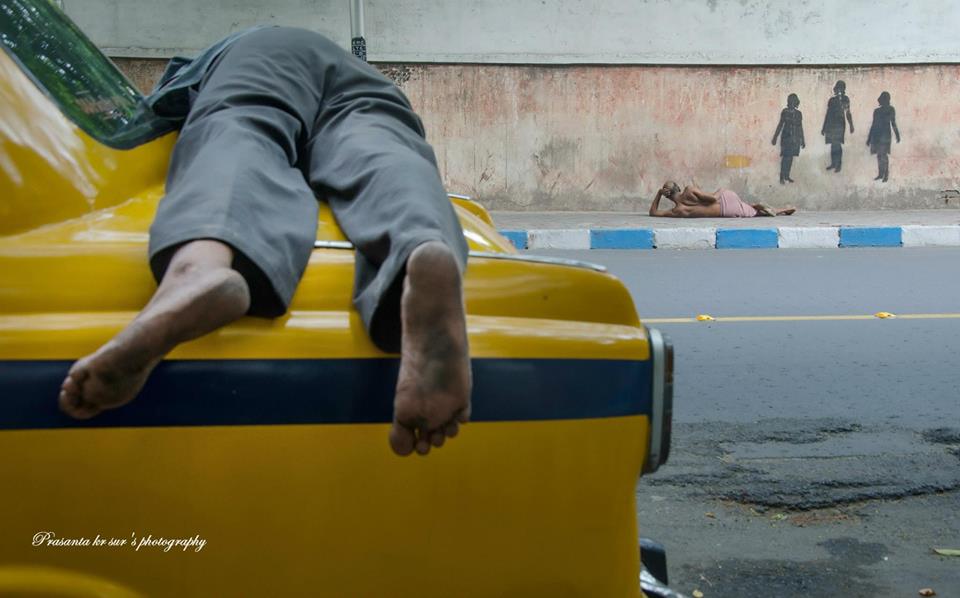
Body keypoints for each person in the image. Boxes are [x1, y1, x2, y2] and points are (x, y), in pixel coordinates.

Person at [57, 27, 471, 457]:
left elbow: (157, 131)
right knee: (382, 151)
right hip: (368, 85)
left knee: (238, 129)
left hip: (268, 53)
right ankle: (421, 245)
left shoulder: (205, 66)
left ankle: (199, 266)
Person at [648, 181, 795, 218]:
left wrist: (658, 194)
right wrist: (720, 190)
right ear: (678, 188)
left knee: (753, 212)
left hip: (724, 211)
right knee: (753, 210)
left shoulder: (677, 211)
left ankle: (773, 209)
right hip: (725, 200)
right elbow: (712, 199)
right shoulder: (689, 190)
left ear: (667, 195)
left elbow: (653, 213)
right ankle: (779, 209)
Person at [866, 91, 901, 182]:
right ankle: (881, 174)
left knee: (883, 155)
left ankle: (885, 175)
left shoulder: (890, 109)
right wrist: (869, 139)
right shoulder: (876, 111)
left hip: (885, 136)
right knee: (879, 155)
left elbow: (893, 123)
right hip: (877, 135)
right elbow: (873, 125)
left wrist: (897, 135)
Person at [771, 93, 805, 184]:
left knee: (790, 159)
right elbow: (780, 125)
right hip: (786, 139)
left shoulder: (799, 113)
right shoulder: (785, 112)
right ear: (790, 102)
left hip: (795, 139)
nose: (793, 103)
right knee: (786, 158)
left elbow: (800, 127)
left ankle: (787, 176)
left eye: (795, 101)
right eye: (792, 101)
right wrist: (775, 137)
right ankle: (782, 177)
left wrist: (802, 140)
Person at [822, 80, 854, 172]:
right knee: (833, 144)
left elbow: (848, 113)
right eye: (837, 88)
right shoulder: (832, 100)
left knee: (837, 144)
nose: (838, 90)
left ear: (843, 89)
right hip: (831, 124)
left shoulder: (845, 99)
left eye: (840, 88)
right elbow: (828, 114)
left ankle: (838, 164)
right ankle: (833, 163)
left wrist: (851, 125)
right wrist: (824, 128)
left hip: (840, 124)